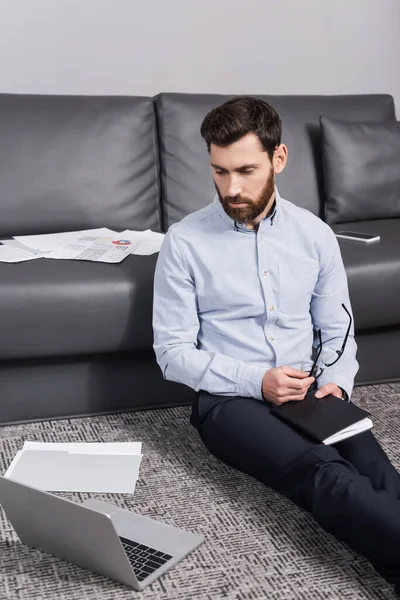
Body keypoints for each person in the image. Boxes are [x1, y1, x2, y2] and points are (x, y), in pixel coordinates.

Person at [152, 96, 400, 595]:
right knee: (325, 474)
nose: (232, 188)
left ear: (278, 159)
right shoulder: (184, 241)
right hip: (229, 402)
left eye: (245, 170)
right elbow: (172, 353)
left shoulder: (314, 235)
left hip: (311, 391)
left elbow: (338, 330)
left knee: (377, 468)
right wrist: (256, 381)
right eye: (219, 172)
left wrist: (335, 385)